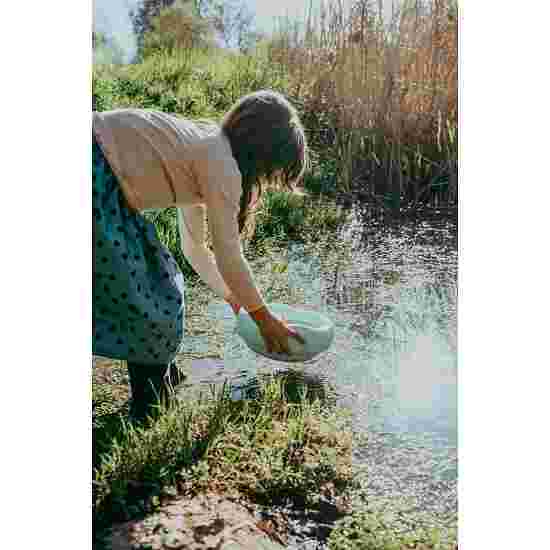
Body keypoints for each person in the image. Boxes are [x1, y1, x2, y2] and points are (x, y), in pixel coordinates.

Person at [93, 90, 307, 422]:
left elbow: (194, 248)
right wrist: (264, 319)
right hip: (96, 169)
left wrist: (235, 299)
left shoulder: (208, 148)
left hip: (103, 172)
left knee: (157, 284)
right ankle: (149, 403)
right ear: (261, 153)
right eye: (270, 172)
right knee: (147, 294)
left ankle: (160, 378)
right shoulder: (221, 164)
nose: (264, 182)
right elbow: (229, 255)